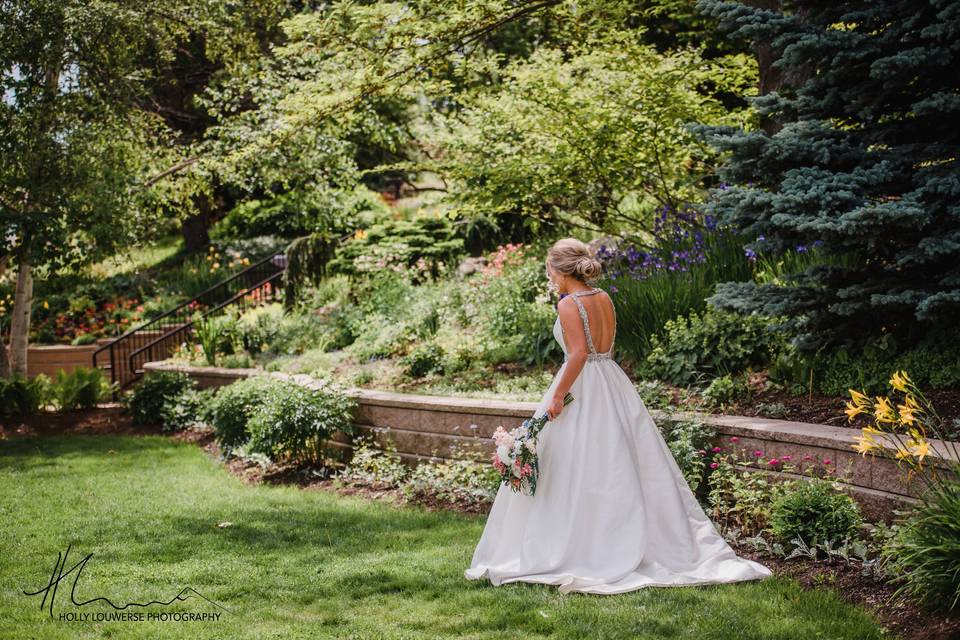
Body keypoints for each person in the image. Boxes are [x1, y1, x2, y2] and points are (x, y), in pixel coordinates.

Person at [464, 237, 772, 594]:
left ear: (560, 270)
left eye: (549, 268)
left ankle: (585, 546)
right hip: (611, 380)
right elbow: (604, 346)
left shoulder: (568, 304)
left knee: (578, 463)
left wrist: (558, 396)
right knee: (618, 458)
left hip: (582, 384)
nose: (548, 275)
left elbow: (578, 354)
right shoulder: (604, 298)